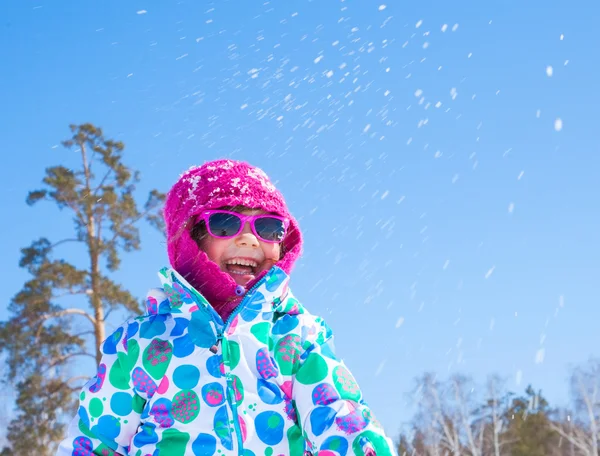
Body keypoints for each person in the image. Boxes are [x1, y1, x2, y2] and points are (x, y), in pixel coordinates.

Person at [57, 159, 396, 456]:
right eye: (225, 223)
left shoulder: (294, 338)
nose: (250, 239)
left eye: (268, 227)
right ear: (189, 236)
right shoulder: (146, 344)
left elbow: (339, 416)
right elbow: (94, 442)